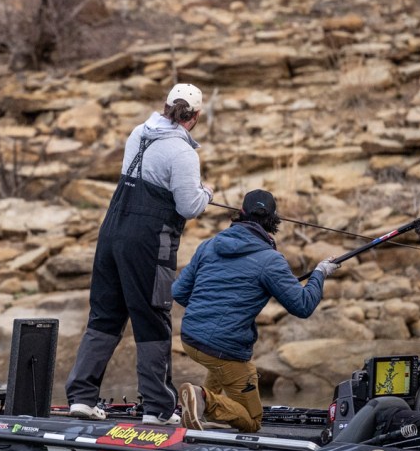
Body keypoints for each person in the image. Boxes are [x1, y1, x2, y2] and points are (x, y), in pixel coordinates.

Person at [65, 84, 213, 425]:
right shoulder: (183, 152)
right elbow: (189, 206)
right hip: (148, 243)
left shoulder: (137, 133)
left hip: (111, 235)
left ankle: (82, 398)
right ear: (196, 116)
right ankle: (158, 409)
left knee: (104, 316)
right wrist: (206, 192)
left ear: (165, 105)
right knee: (153, 318)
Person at [172, 189, 340, 432]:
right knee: (252, 421)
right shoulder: (270, 260)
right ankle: (203, 399)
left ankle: (200, 404)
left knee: (221, 367)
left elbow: (179, 292)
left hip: (190, 338)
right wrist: (320, 273)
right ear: (273, 220)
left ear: (240, 213)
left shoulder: (208, 245)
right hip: (222, 347)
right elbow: (303, 306)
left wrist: (209, 310)